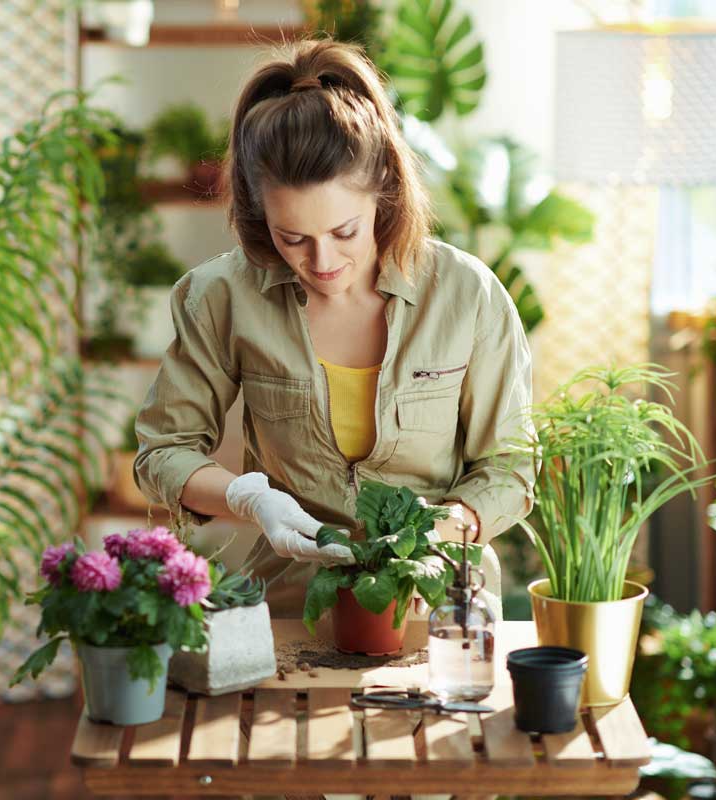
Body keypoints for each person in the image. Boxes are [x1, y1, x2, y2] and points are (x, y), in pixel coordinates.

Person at [133, 38, 535, 620]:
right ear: (258, 213)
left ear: (384, 193)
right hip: (292, 609)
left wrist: (439, 532)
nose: (321, 261)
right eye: (291, 238)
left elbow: (511, 467)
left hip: (442, 615)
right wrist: (250, 498)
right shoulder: (221, 296)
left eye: (345, 232)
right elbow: (163, 452)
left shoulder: (467, 295)